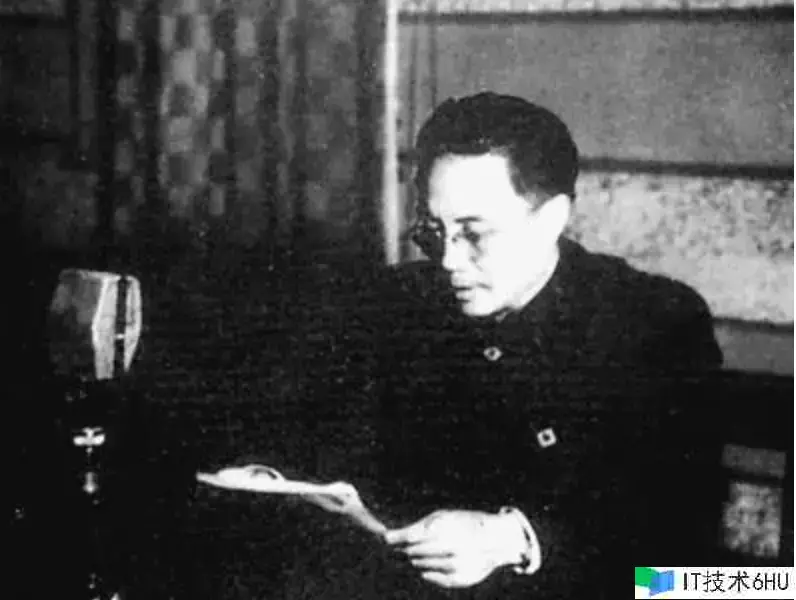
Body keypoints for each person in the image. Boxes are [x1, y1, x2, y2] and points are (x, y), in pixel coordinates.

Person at [294, 92, 723, 599]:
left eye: (475, 234)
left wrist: (516, 540)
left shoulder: (653, 324)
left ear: (551, 219)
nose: (448, 261)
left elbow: (682, 564)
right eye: (434, 232)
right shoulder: (397, 302)